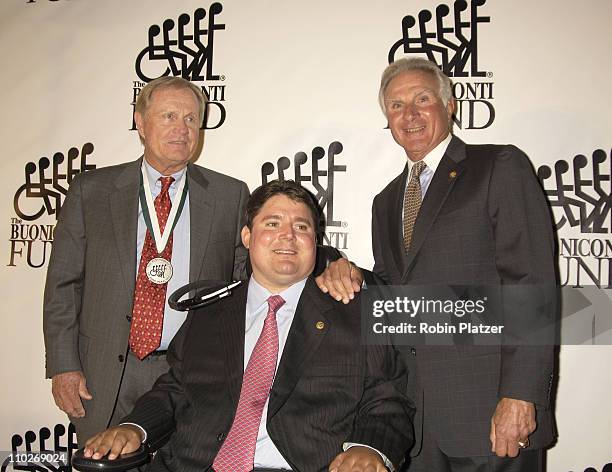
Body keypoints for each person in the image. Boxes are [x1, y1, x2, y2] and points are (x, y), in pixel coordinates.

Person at [316, 57, 556, 471]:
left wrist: (521, 394)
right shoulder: (386, 200)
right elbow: (395, 291)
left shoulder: (498, 166)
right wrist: (345, 268)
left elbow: (530, 285)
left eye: (421, 99)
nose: (408, 115)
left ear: (450, 105)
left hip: (492, 413)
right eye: (395, 105)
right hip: (417, 421)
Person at [82, 180, 414, 472]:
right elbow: (175, 390)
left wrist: (369, 449)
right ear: (247, 236)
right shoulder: (209, 312)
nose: (287, 235)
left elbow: (386, 402)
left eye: (302, 227)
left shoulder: (353, 316)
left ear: (317, 241)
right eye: (272, 223)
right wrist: (134, 427)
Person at [43, 76, 249, 445]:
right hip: (102, 375)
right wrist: (63, 366)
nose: (181, 129)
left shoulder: (229, 195)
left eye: (190, 119)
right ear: (140, 121)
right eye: (168, 115)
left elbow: (244, 284)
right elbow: (63, 286)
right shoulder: (92, 191)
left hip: (188, 376)